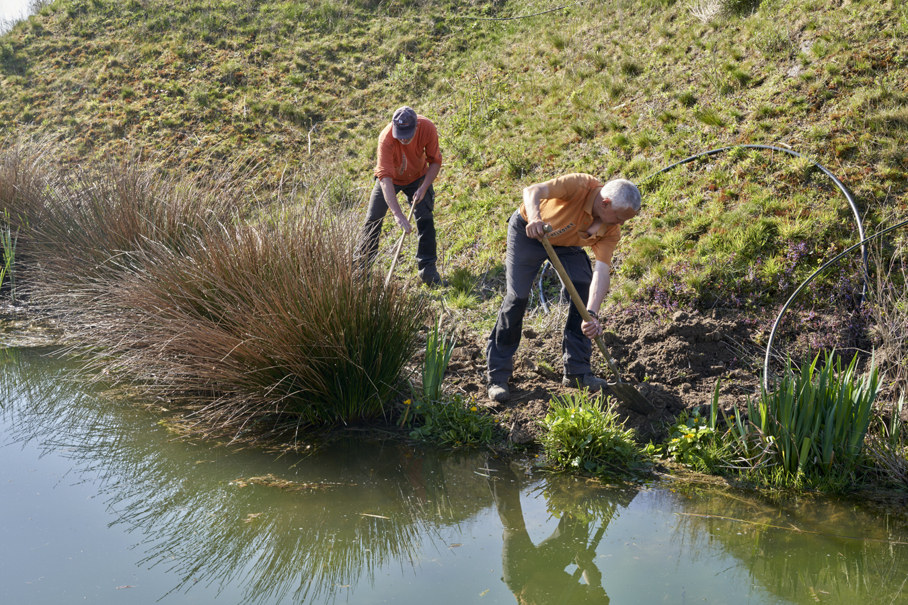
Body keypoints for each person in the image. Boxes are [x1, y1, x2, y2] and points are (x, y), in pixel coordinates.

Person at [486, 174, 641, 403]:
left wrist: (593, 315)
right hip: (528, 233)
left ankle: (578, 371)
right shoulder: (579, 185)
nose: (620, 224)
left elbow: (602, 272)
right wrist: (535, 219)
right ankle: (497, 375)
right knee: (517, 298)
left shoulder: (611, 230)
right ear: (605, 203)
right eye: (619, 217)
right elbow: (532, 190)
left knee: (583, 291)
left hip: (566, 245)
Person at [357, 106, 444, 286]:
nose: (403, 138)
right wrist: (397, 214)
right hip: (390, 179)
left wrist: (424, 187)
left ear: (416, 127)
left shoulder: (427, 128)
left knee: (425, 218)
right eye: (400, 133)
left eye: (408, 133)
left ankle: (428, 272)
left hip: (418, 176)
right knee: (372, 220)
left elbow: (435, 161)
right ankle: (360, 273)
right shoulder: (386, 138)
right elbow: (385, 179)